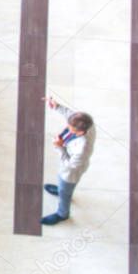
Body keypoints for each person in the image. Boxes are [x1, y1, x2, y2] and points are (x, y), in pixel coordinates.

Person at [42, 97, 96, 226]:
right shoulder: (86, 122)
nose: (68, 127)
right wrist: (57, 106)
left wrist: (59, 146)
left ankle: (62, 214)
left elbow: (70, 165)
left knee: (65, 192)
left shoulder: (83, 148)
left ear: (81, 132)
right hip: (68, 166)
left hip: (70, 173)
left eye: (71, 128)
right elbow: (71, 114)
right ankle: (61, 189)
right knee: (62, 186)